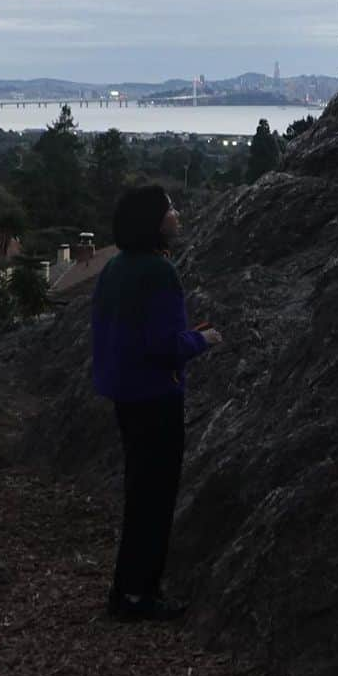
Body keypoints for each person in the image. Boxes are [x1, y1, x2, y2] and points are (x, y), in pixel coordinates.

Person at [92, 185, 221, 622]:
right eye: (169, 209)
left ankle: (126, 589)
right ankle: (139, 595)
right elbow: (164, 346)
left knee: (139, 491)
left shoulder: (116, 268)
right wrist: (201, 339)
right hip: (155, 396)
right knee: (156, 497)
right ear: (154, 221)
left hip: (125, 394)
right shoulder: (159, 273)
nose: (177, 214)